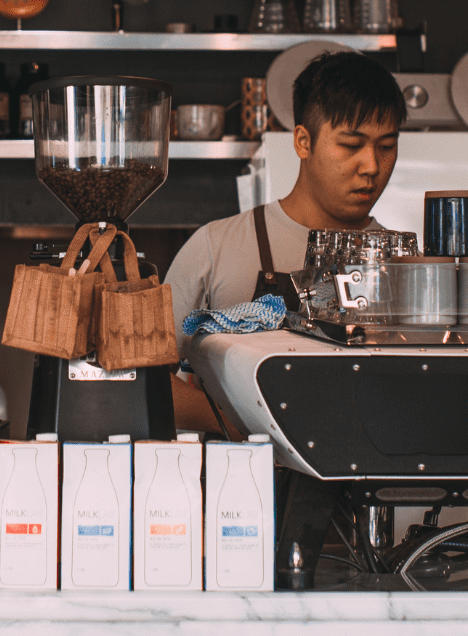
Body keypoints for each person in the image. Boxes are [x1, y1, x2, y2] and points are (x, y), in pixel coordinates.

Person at [165, 52, 405, 430]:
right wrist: (239, 426)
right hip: (243, 476)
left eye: (386, 146)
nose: (372, 165)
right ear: (303, 142)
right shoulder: (215, 247)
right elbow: (145, 379)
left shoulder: (407, 264)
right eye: (350, 145)